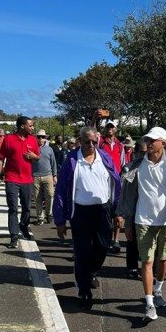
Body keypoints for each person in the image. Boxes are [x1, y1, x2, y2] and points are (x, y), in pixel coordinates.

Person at [119, 126, 166, 322]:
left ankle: (158, 289)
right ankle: (149, 304)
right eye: (147, 140)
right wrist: (128, 222)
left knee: (162, 260)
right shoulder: (136, 166)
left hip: (165, 222)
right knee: (147, 262)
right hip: (143, 220)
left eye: (152, 140)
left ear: (162, 143)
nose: (148, 143)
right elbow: (130, 196)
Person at [53, 126, 120, 307]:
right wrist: (60, 220)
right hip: (80, 212)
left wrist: (118, 211)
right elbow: (61, 191)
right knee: (82, 251)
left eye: (94, 141)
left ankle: (90, 272)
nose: (91, 145)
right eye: (86, 142)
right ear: (79, 141)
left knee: (103, 247)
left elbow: (116, 183)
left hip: (102, 211)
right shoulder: (72, 160)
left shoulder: (104, 158)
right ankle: (83, 290)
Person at [0, 116, 40, 249]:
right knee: (13, 208)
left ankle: (23, 226)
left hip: (27, 180)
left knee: (26, 207)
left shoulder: (33, 140)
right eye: (30, 126)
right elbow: (1, 159)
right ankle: (14, 236)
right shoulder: (9, 139)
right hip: (11, 179)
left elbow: (38, 156)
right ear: (22, 126)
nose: (32, 128)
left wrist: (34, 157)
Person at [122, 139, 148, 279]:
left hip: (149, 211)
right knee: (132, 240)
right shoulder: (129, 169)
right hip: (134, 209)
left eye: (147, 152)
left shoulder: (154, 167)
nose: (145, 155)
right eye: (142, 152)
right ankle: (132, 267)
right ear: (135, 153)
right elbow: (125, 194)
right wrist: (124, 216)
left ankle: (154, 268)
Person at [99, 120, 126, 253]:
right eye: (107, 126)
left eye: (112, 126)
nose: (109, 128)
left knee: (117, 211)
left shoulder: (120, 145)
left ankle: (116, 240)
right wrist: (94, 119)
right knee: (104, 211)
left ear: (116, 129)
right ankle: (105, 239)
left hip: (116, 181)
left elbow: (122, 164)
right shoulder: (101, 142)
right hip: (102, 181)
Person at [32, 129, 58, 224]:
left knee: (50, 195)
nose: (41, 139)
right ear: (36, 138)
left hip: (48, 175)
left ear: (45, 138)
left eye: (43, 137)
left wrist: (54, 175)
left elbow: (53, 163)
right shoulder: (32, 148)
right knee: (37, 197)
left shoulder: (49, 149)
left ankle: (49, 213)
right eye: (39, 137)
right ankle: (40, 217)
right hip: (35, 176)